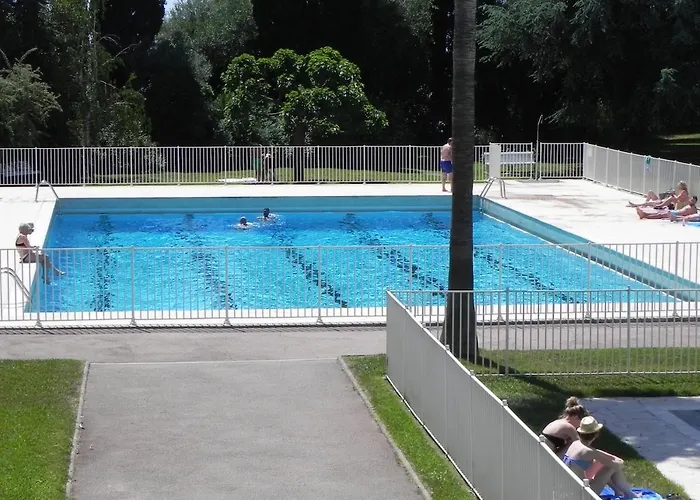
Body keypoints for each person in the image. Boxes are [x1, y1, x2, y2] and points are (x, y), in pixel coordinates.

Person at [563, 416, 640, 498]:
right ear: (596, 434)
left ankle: (619, 491)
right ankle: (629, 494)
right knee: (611, 467)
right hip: (583, 495)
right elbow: (616, 465)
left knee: (604, 464)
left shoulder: (575, 444)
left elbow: (598, 452)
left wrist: (613, 458)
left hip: (569, 488)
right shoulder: (589, 451)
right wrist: (618, 461)